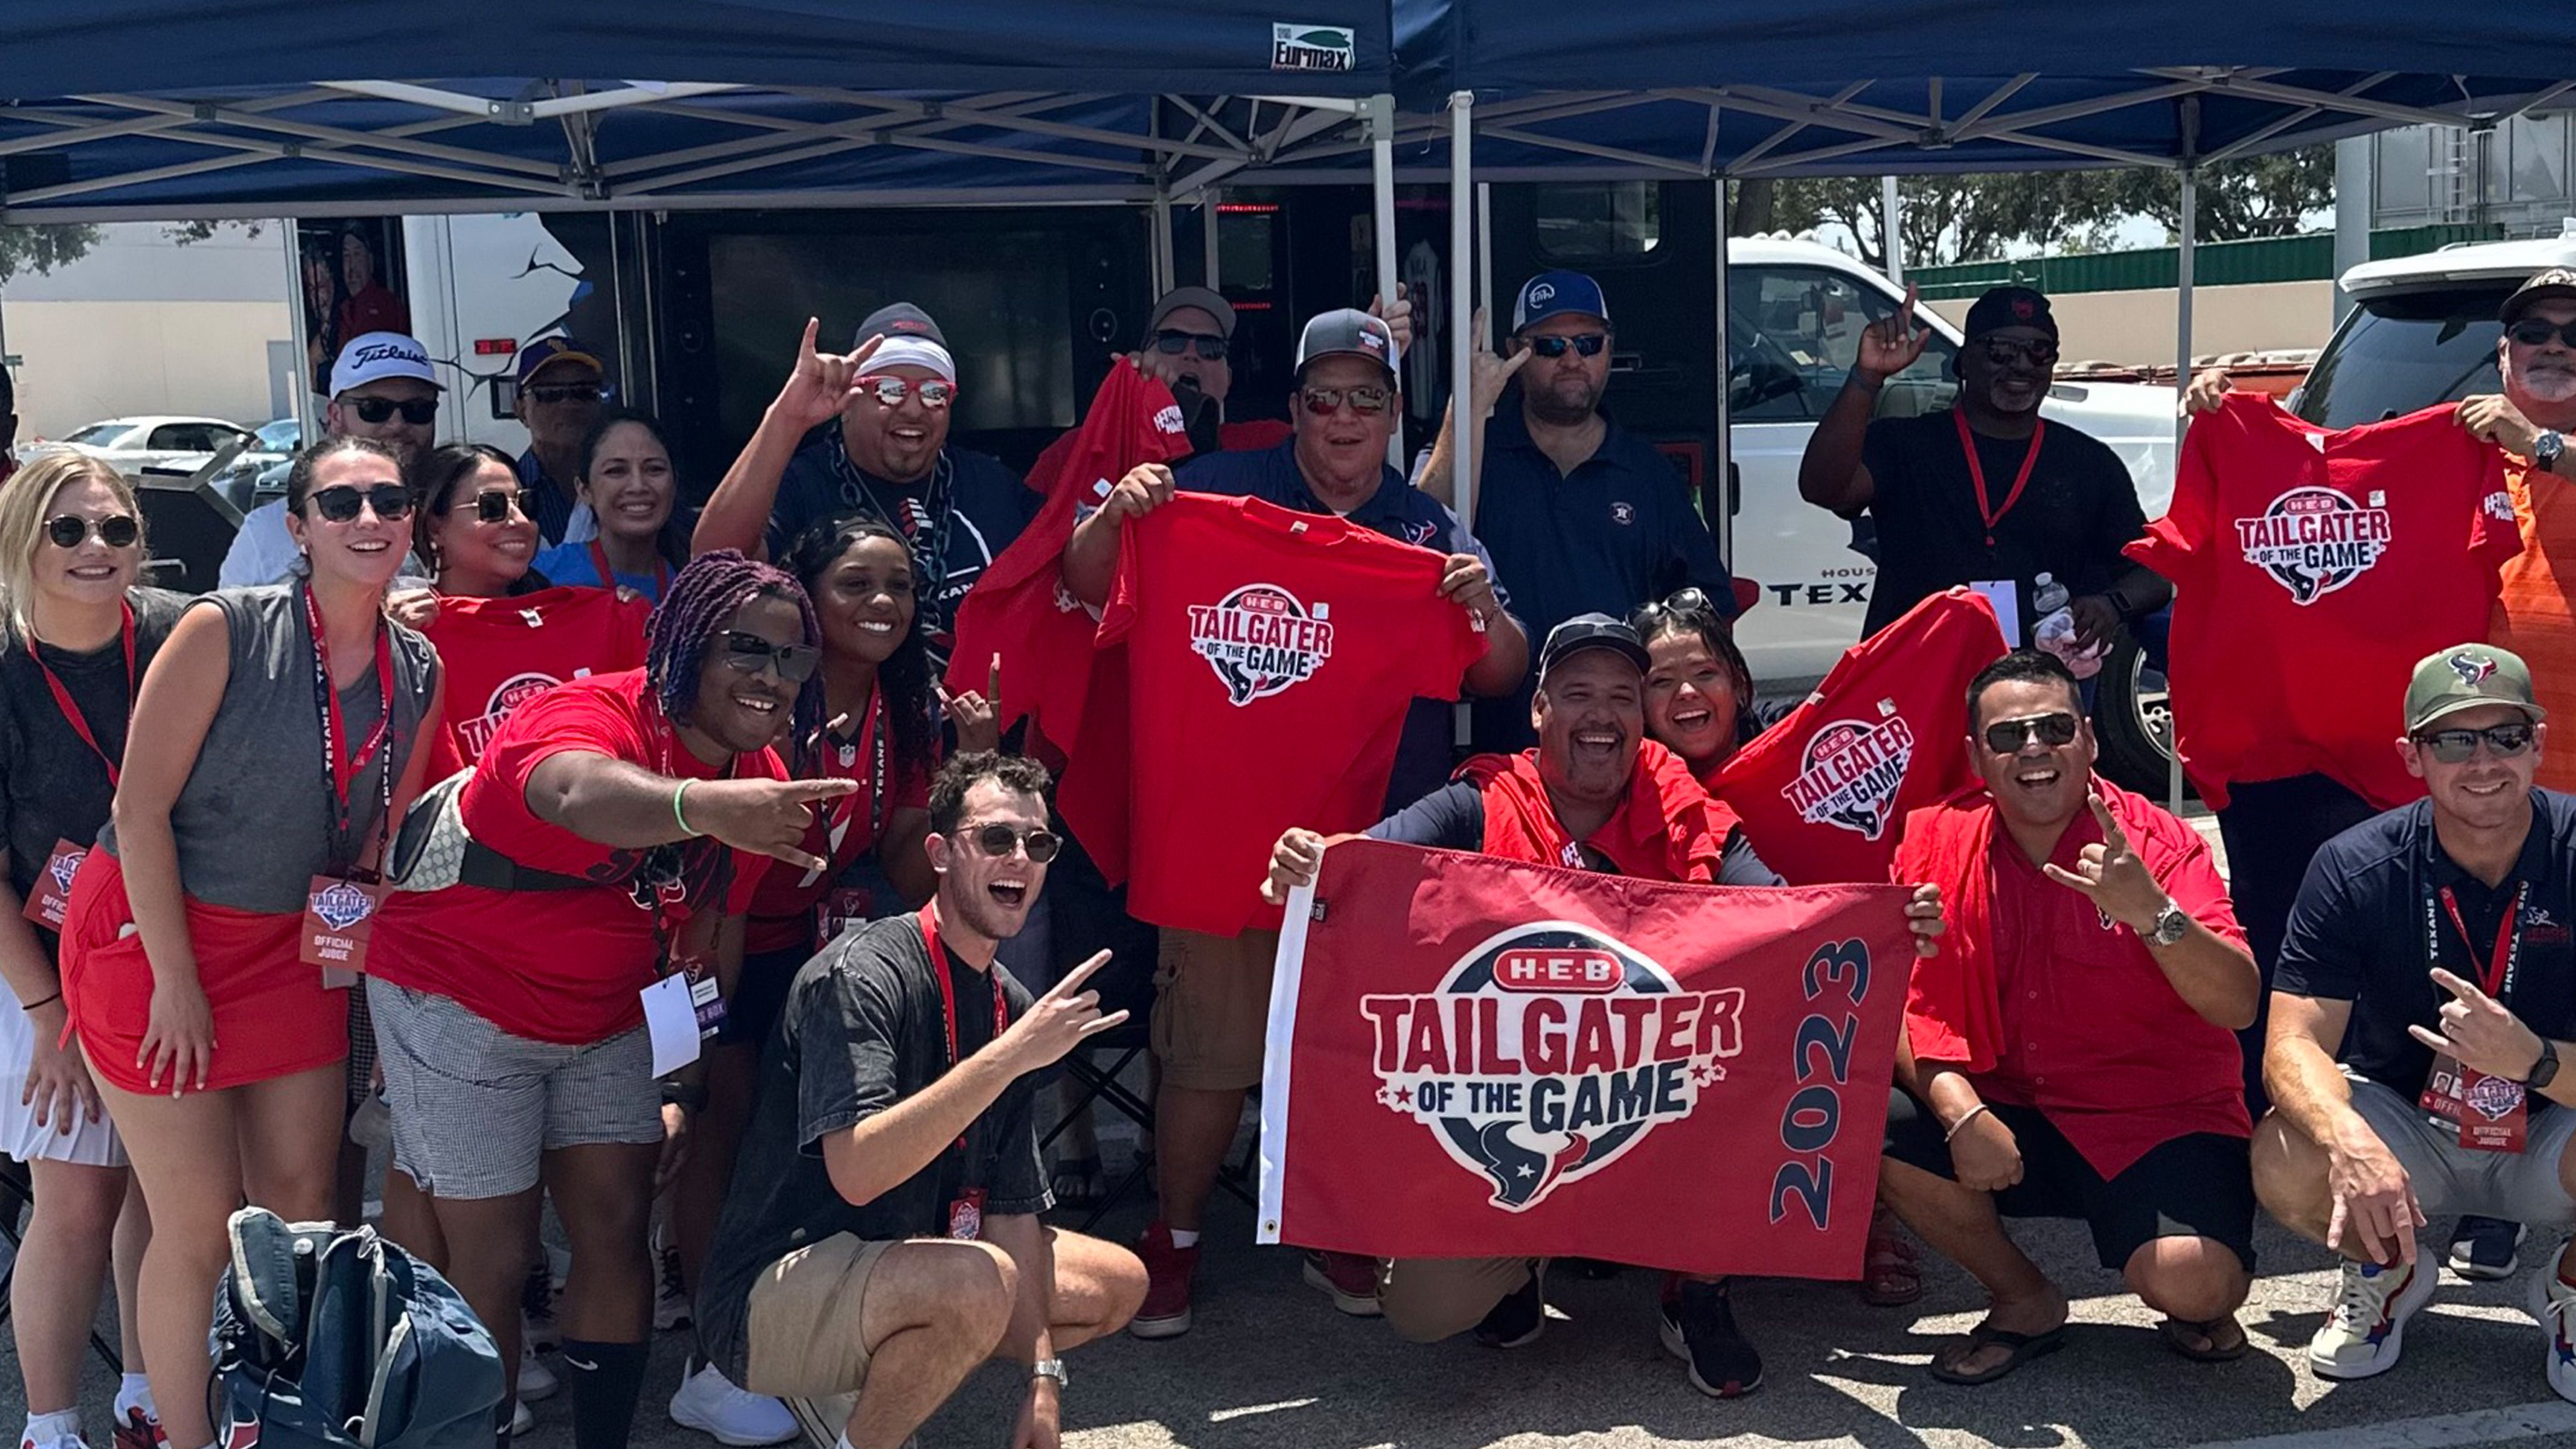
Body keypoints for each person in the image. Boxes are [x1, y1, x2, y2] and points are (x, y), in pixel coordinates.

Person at [1260, 614, 1944, 1396]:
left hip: (1658, 1114)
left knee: (1748, 1076)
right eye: (1578, 693)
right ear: (1539, 711)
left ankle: (1698, 1292)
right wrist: (1310, 864)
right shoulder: (1475, 807)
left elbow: (1782, 920)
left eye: (1623, 696)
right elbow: (1363, 870)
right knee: (1426, 1310)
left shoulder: (1688, 814)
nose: (1602, 714)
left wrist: (1882, 926)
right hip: (1521, 1121)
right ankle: (1518, 1270)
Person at [1059, 307, 1529, 1338]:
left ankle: (1335, 1227)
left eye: (1368, 398)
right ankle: (1173, 1242)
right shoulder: (1216, 497)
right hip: (1225, 840)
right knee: (1208, 1056)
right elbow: (1089, 583)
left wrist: (1479, 607)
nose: (1347, 417)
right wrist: (1119, 513)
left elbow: (1503, 670)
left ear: (1394, 414)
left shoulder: (1425, 533)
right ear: (1297, 411)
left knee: (1357, 1054)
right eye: (1327, 398)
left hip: (1374, 845)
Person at [365, 552, 849, 1449]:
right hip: (458, 997)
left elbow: (705, 951)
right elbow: (572, 790)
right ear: (682, 645)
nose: (771, 675)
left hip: (606, 1017)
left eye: (794, 659)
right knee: (496, 1255)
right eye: (746, 648)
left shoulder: (759, 774)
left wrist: (684, 1088)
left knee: (620, 1225)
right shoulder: (590, 712)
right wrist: (702, 804)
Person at [2183, 271, 2576, 1276]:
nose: (2555, 345)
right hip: (2479, 785)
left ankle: (2545, 1218)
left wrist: (2541, 447)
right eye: (2534, 329)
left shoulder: (2532, 453)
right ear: (2501, 352)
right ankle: (2470, 1180)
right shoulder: (2456, 456)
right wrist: (2232, 415)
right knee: (2481, 977)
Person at [60, 436, 444, 1449]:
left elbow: (376, 846)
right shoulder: (225, 628)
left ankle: (281, 1425)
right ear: (298, 525)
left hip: (291, 953)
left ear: (412, 519)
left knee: (301, 1209)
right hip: (154, 936)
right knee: (197, 1226)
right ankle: (184, 1434)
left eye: (388, 500)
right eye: (341, 501)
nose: (368, 519)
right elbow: (138, 814)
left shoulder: (421, 667)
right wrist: (178, 987)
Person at [696, 751, 1147, 1449]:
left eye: (1039, 843)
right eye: (995, 838)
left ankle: (879, 1373)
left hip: (913, 1264)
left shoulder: (1010, 1005)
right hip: (773, 1288)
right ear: (938, 853)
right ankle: (857, 1426)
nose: (1020, 859)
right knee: (978, 1280)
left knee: (1117, 1281)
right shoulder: (863, 973)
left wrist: (1042, 1383)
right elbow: (857, 1171)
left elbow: (1012, 1211)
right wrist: (1010, 1058)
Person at [1884, 649, 2259, 1385]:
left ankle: (2193, 1284)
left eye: (2054, 727)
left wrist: (2155, 916)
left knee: (2196, 1285)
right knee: (1874, 1119)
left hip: (2153, 1116)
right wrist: (1960, 1114)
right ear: (1976, 756)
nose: (2032, 748)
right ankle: (2025, 1300)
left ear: (2087, 738)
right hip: (2011, 1110)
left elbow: (2240, 1001)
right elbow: (1901, 1006)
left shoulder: (2156, 845)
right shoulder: (1934, 839)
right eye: (2007, 735)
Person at [663, 514, 956, 1445]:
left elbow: (912, 874)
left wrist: (948, 789)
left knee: (826, 1143)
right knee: (727, 1123)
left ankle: (808, 1346)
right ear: (807, 595)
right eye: (856, 585)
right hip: (726, 932)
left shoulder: (910, 708)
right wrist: (699, 1030)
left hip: (828, 948)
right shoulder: (763, 693)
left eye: (900, 587)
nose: (882, 604)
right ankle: (713, 1362)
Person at [2256, 643, 2576, 1399]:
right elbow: (2290, 1043)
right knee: (2282, 1146)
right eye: (2454, 740)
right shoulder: (2352, 865)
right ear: (2412, 756)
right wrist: (2349, 1143)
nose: (2484, 761)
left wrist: (2533, 1061)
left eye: (2505, 736)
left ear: (2539, 743)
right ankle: (2389, 1270)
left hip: (2556, 1125)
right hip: (2408, 1126)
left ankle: (2569, 1287)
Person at [1629, 587, 1922, 1304]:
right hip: (1696, 1013)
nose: (1687, 694)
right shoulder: (1621, 783)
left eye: (1704, 673)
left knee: (1885, 1082)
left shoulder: (1801, 750)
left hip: (1824, 985)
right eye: (1660, 682)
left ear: (1740, 681)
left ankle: (1871, 1220)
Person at [0, 454, 182, 1449]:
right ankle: (49, 1425)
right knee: (76, 1190)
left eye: (114, 529)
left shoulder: (177, 636)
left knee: (166, 1181)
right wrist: (46, 1023)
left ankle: (147, 1398)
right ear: (25, 539)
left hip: (171, 952)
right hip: (38, 963)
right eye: (68, 530)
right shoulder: (2, 672)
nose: (96, 548)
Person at [1416, 272, 1734, 752]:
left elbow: (1711, 612)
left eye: (1588, 344)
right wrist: (1467, 411)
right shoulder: (1472, 449)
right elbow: (1421, 542)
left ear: (1609, 350)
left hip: (1617, 750)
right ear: (1515, 351)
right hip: (1493, 743)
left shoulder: (1648, 474)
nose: (1572, 360)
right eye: (1550, 347)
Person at [1797, 284, 2169, 650]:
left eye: (2039, 351)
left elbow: (2155, 571)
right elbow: (1823, 488)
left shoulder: (2089, 462)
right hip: (1914, 673)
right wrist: (1867, 378)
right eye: (2001, 350)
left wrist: (2112, 605)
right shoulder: (1904, 444)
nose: (2021, 365)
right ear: (1965, 361)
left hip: (2039, 683)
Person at [691, 307, 1039, 664]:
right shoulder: (804, 483)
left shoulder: (992, 485)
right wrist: (787, 418)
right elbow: (713, 564)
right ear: (848, 405)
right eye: (889, 391)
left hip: (979, 710)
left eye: (935, 393)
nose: (914, 409)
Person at [221, 332, 442, 588]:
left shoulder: (466, 514)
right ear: (335, 416)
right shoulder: (267, 532)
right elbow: (234, 624)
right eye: (374, 408)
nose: (397, 423)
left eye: (418, 409)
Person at [532, 411, 690, 602]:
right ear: (584, 490)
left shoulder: (696, 584)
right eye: (616, 471)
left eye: (655, 469)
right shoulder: (541, 579)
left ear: (675, 483)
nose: (638, 486)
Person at [513, 337, 610, 548]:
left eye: (583, 393)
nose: (568, 405)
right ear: (520, 409)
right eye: (550, 394)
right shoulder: (508, 496)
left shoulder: (627, 486)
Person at [335, 226, 409, 343]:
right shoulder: (340, 310)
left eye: (358, 254)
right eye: (347, 256)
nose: (352, 266)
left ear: (371, 261)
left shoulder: (387, 304)